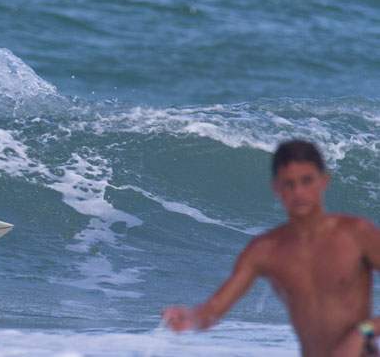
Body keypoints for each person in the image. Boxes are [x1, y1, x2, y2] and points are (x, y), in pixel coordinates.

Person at [162, 139, 380, 357]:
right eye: (289, 183)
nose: (299, 192)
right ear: (276, 186)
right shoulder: (265, 250)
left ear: (323, 180)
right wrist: (190, 317)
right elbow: (211, 312)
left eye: (307, 181)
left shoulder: (357, 234)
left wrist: (362, 332)